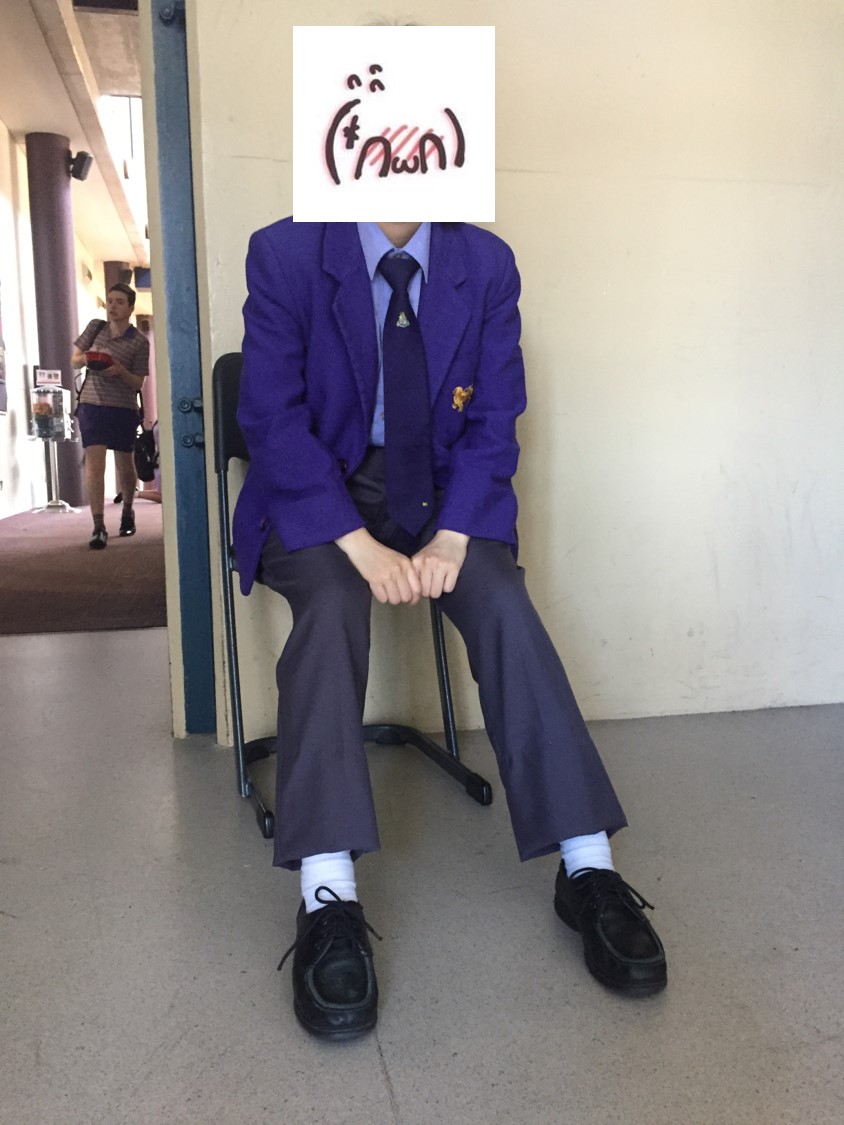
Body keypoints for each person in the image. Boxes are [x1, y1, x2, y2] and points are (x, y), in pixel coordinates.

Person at [234, 219, 667, 1041]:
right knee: (331, 606)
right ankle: (327, 892)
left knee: (503, 601)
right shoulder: (286, 251)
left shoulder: (485, 261)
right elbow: (271, 419)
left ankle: (587, 867)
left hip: (441, 499)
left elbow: (495, 417)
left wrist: (456, 535)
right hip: (318, 497)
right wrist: (355, 543)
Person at [71, 283, 149, 549]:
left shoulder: (139, 341)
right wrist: (88, 359)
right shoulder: (95, 328)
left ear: (130, 307)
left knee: (125, 463)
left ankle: (127, 510)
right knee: (95, 463)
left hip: (123, 407)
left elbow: (138, 382)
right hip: (92, 404)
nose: (113, 306)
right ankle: (98, 525)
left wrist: (119, 370)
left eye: (119, 302)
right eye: (110, 301)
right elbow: (74, 359)